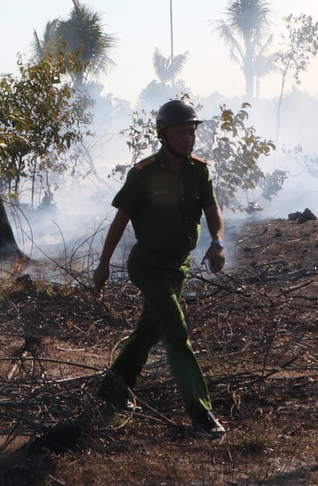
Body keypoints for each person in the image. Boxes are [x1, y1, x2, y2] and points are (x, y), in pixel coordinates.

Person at [92, 99, 228, 438]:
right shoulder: (145, 174)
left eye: (192, 132)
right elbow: (120, 221)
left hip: (176, 267)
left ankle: (114, 386)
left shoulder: (199, 170)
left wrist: (218, 241)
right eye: (181, 132)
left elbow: (212, 210)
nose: (189, 139)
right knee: (176, 333)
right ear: (163, 135)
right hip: (149, 266)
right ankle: (201, 413)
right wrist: (103, 265)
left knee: (150, 330)